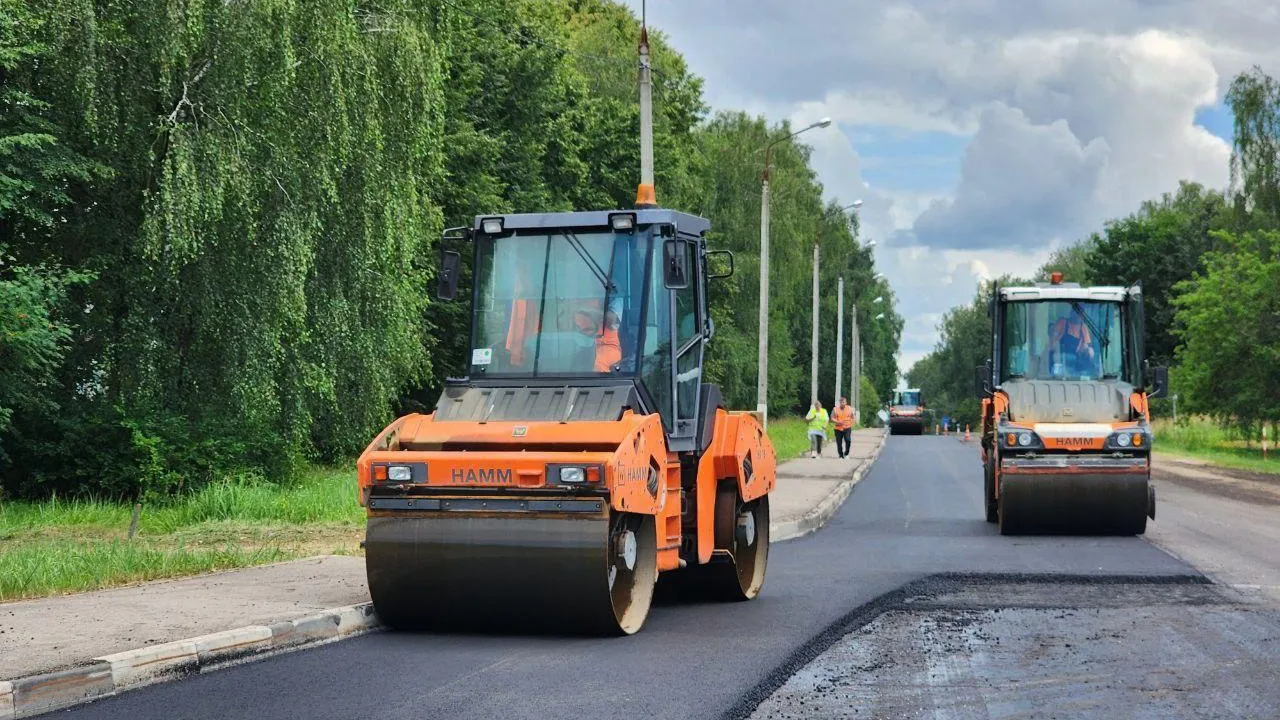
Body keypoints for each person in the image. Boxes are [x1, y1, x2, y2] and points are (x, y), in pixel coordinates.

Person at [1047, 307, 1098, 377]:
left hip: (1074, 363)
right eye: (1076, 312)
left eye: (1080, 314)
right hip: (1059, 359)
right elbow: (1053, 340)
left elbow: (1088, 346)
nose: (1078, 316)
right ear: (1071, 313)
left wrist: (1088, 351)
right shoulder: (1063, 323)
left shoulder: (1083, 327)